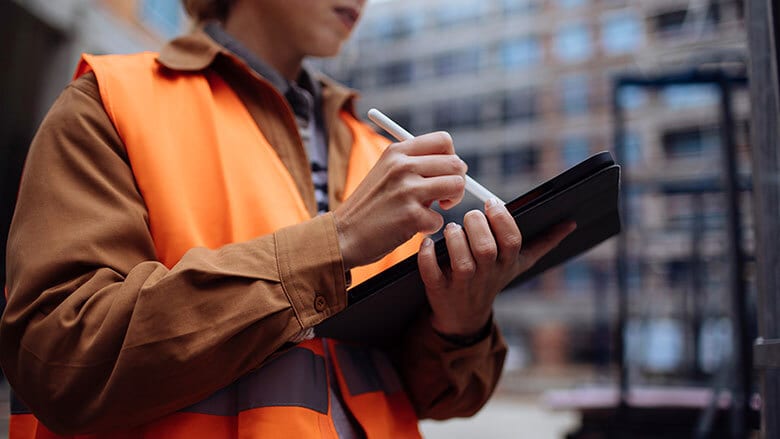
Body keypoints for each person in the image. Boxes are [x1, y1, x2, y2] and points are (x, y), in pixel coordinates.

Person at [0, 0, 574, 437]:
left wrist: (460, 323)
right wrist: (337, 241)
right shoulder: (110, 103)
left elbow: (438, 399)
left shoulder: (373, 149)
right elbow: (59, 358)